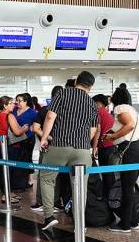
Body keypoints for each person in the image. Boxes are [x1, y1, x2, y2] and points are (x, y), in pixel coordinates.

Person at [40, 71, 98, 230]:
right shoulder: (91, 103)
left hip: (59, 144)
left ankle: (48, 216)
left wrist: (44, 138)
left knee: (47, 178)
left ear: (76, 82)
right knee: (80, 185)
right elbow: (93, 130)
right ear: (90, 87)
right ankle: (80, 223)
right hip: (83, 149)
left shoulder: (63, 93)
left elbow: (50, 117)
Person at [104, 88, 139, 232]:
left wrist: (112, 137)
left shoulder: (120, 108)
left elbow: (129, 125)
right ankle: (133, 221)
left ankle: (125, 225)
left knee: (127, 187)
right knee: (129, 185)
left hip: (131, 150)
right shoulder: (131, 109)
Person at [31, 86, 68, 212]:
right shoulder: (65, 110)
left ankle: (41, 202)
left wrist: (46, 137)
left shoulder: (44, 110)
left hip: (46, 145)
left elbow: (36, 128)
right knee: (57, 175)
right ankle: (56, 203)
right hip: (61, 146)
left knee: (44, 175)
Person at [0, 96, 29, 203]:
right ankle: (7, 195)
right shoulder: (9, 115)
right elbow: (17, 132)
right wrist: (25, 128)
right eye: (12, 103)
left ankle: (9, 193)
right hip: (9, 146)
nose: (14, 105)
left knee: (5, 171)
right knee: (11, 171)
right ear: (5, 105)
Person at [12, 93, 37, 189]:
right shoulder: (14, 110)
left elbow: (36, 124)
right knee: (18, 158)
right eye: (16, 100)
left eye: (20, 101)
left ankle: (30, 179)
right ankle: (20, 179)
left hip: (28, 139)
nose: (17, 102)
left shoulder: (32, 112)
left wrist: (30, 129)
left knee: (28, 157)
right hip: (15, 138)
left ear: (26, 102)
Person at [92, 94, 115, 194]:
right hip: (111, 145)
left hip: (105, 146)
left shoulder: (98, 113)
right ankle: (111, 196)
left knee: (106, 173)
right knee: (109, 173)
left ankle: (107, 196)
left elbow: (98, 131)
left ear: (99, 103)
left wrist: (94, 147)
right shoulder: (107, 113)